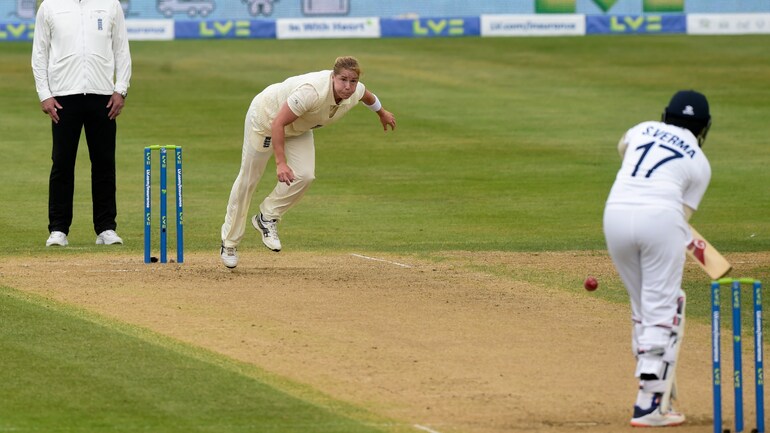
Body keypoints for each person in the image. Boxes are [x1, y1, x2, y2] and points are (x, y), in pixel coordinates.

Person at [219, 56, 396, 268]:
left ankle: (267, 217)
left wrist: (382, 113)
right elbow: (278, 123)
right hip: (266, 120)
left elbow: (368, 96)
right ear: (333, 77)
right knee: (249, 181)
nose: (348, 87)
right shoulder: (311, 92)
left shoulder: (355, 90)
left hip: (298, 128)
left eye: (353, 81)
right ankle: (229, 242)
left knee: (304, 175)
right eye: (343, 80)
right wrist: (280, 163)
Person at [603, 90, 712, 427]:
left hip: (615, 214)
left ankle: (653, 391)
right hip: (661, 218)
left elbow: (623, 150)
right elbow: (681, 219)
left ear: (666, 115)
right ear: (703, 127)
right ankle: (650, 403)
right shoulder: (700, 163)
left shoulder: (642, 129)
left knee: (643, 308)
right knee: (665, 306)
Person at [32, 0, 132, 247]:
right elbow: (39, 53)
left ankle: (106, 228)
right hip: (64, 97)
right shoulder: (50, 6)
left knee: (104, 164)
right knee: (62, 163)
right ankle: (58, 230)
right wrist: (44, 93)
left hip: (103, 96)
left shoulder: (110, 5)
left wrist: (121, 89)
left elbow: (122, 49)